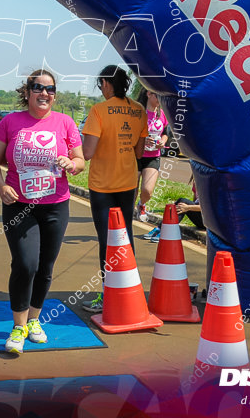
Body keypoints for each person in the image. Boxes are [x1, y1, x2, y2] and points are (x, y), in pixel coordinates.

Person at [0, 70, 85, 354]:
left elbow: (80, 161)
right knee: (25, 264)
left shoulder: (65, 122)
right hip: (19, 204)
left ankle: (34, 320)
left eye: (50, 89)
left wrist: (71, 163)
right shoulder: (10, 122)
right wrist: (1, 185)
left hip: (55, 205)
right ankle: (17, 327)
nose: (45, 94)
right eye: (38, 88)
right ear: (27, 92)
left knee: (45, 267)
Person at [81, 65, 147, 314]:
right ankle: (129, 290)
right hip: (128, 182)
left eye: (101, 85)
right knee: (125, 237)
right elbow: (139, 153)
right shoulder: (139, 110)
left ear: (106, 84)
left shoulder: (99, 110)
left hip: (102, 185)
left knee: (106, 240)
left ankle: (108, 295)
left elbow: (87, 153)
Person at [135, 88, 168, 223]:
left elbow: (165, 133)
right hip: (136, 155)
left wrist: (163, 141)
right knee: (132, 190)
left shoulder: (162, 114)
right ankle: (125, 214)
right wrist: (142, 138)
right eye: (158, 95)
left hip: (153, 156)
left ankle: (142, 205)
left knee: (147, 190)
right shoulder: (138, 112)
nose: (161, 99)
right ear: (149, 94)